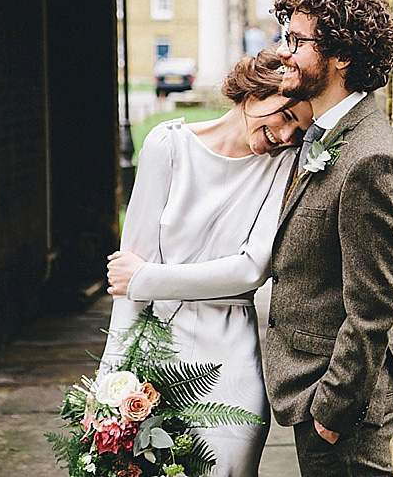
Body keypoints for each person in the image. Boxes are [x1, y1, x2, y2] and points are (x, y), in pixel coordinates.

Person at [99, 49, 314, 477]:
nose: (288, 135)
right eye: (286, 115)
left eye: (299, 129)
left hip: (231, 360)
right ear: (255, 93)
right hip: (156, 350)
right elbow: (128, 281)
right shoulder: (167, 145)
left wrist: (148, 278)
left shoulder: (285, 165)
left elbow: (252, 269)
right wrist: (109, 376)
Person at [265, 0, 393, 477]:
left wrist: (331, 409)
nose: (285, 52)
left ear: (342, 57)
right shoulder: (326, 134)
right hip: (313, 392)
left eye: (298, 41)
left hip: (343, 415)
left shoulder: (369, 157)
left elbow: (374, 307)